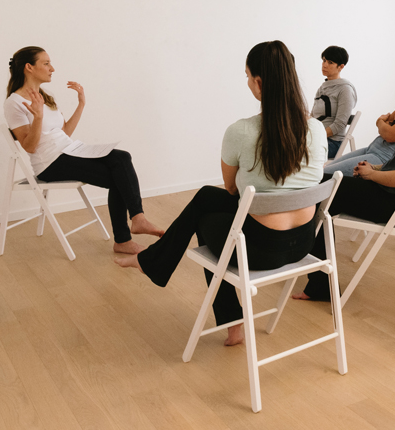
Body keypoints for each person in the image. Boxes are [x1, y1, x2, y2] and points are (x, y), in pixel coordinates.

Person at [115, 41, 327, 346]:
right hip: (303, 243)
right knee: (205, 197)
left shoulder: (241, 131)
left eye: (247, 76)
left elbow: (231, 188)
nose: (247, 82)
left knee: (204, 218)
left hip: (258, 250)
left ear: (259, 82)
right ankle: (151, 262)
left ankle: (230, 321)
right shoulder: (316, 130)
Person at [295, 45, 395, 301]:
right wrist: (375, 169)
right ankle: (315, 276)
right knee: (323, 185)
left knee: (319, 189)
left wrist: (371, 175)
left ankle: (314, 277)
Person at [4, 46, 163, 255]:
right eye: (46, 63)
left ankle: (137, 220)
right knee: (120, 177)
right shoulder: (14, 103)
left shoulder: (46, 96)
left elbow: (65, 133)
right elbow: (29, 147)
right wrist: (38, 117)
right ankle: (125, 238)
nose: (52, 68)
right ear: (29, 67)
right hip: (49, 163)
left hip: (69, 150)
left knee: (122, 158)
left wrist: (81, 104)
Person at [321, 41, 395, 176]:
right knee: (324, 171)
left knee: (324, 175)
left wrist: (380, 123)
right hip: (375, 147)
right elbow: (389, 121)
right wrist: (385, 124)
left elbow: (391, 134)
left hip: (385, 154)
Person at [311, 45, 357, 158]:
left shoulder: (345, 89)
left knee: (290, 151)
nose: (324, 65)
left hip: (332, 142)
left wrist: (315, 136)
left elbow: (340, 124)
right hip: (316, 138)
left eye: (330, 62)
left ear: (341, 66)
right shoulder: (322, 87)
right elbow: (313, 116)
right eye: (324, 60)